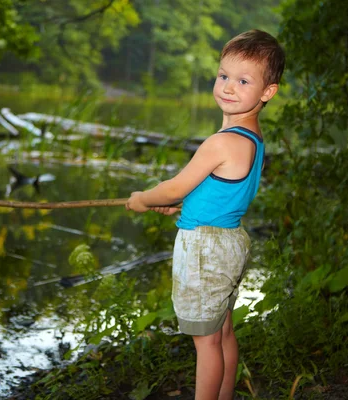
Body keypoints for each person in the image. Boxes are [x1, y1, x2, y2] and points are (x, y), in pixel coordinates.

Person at [126, 29, 285, 399]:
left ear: (267, 92)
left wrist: (144, 199)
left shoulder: (221, 141)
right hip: (228, 242)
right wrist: (186, 207)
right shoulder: (251, 137)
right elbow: (224, 191)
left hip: (205, 250)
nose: (228, 87)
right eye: (224, 76)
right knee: (223, 332)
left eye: (243, 80)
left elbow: (176, 185)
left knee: (206, 343)